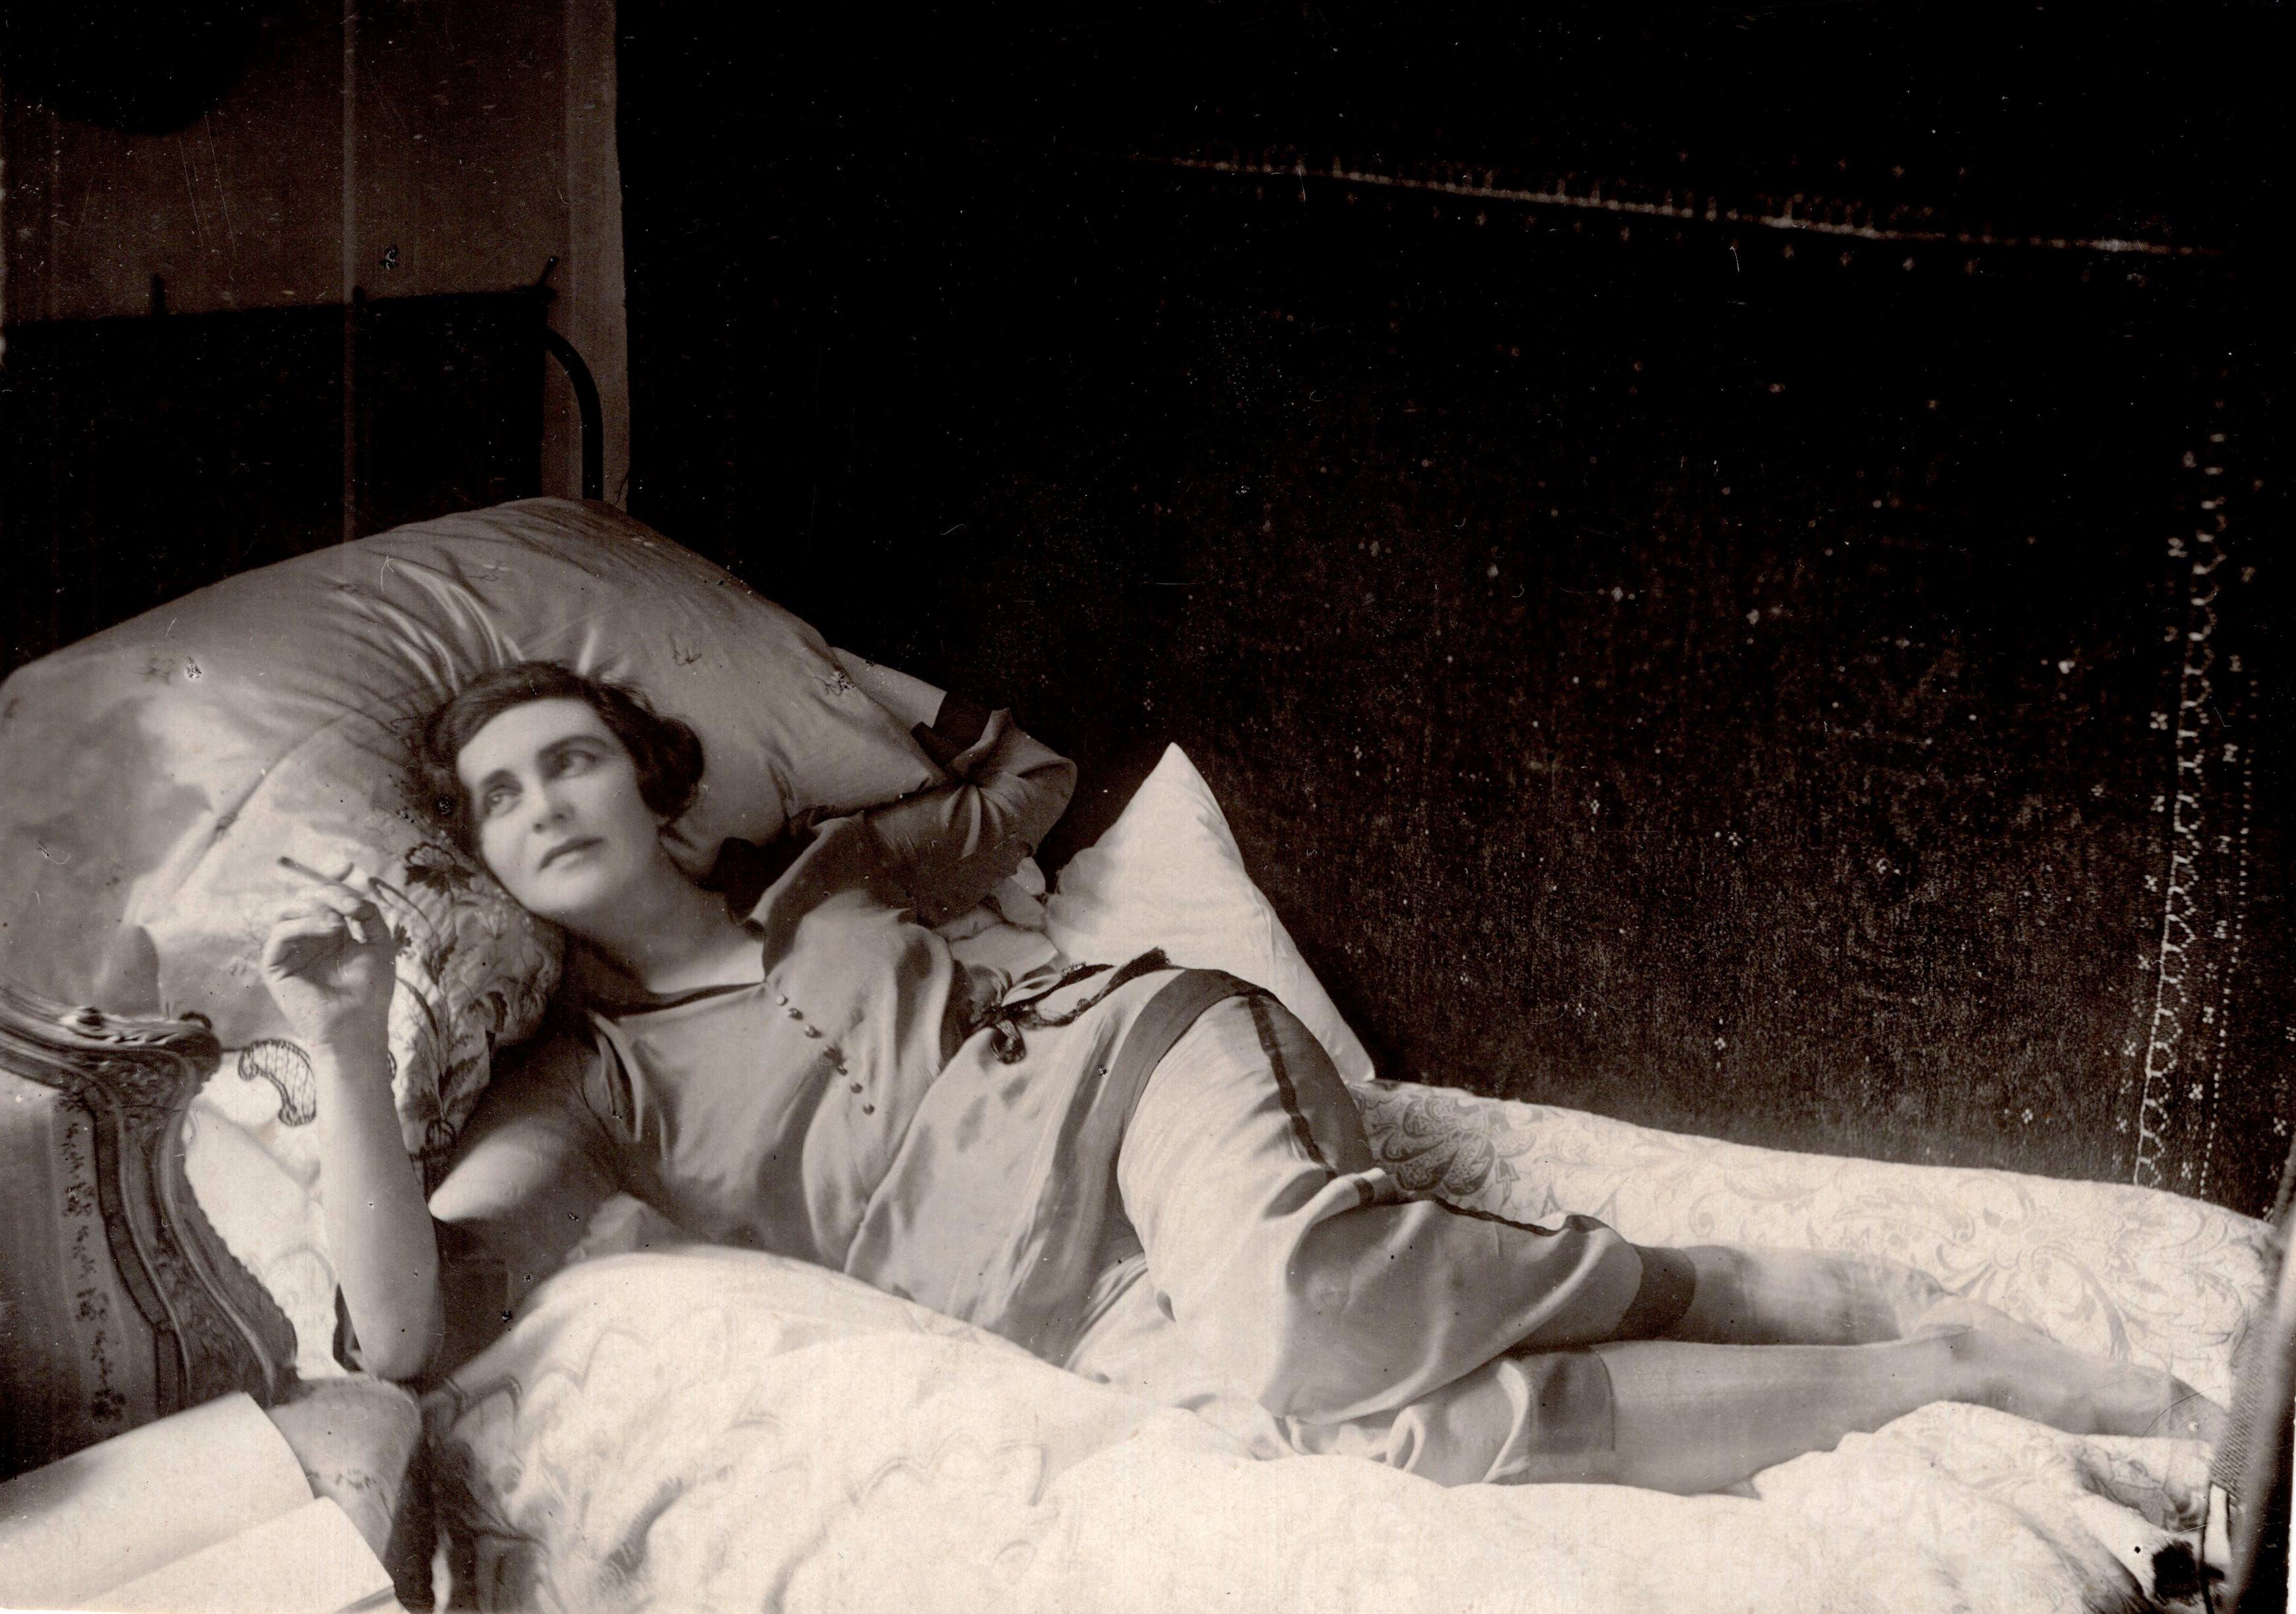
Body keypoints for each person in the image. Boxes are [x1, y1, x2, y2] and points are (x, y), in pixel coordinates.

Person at [261, 662, 2222, 1495]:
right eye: (501, 797)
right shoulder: (585, 1089)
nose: (548, 801)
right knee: (1386, 1440)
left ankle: (1677, 1279)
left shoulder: (831, 870)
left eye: (576, 758)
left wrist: (835, 700)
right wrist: (347, 1042)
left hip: (1147, 1074)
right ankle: (1925, 1368)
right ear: (482, 860)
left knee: (1299, 1316)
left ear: (649, 780)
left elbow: (1026, 777)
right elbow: (402, 1333)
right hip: (1064, 1296)